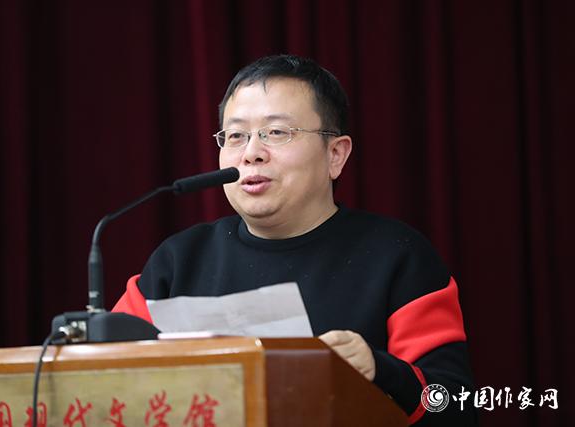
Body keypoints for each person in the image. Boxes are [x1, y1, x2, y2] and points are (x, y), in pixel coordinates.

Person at [113, 54, 477, 425]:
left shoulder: (398, 257)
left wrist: (381, 370)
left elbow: (455, 408)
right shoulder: (178, 261)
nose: (251, 154)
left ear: (335, 155)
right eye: (236, 136)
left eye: (276, 132)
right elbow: (99, 374)